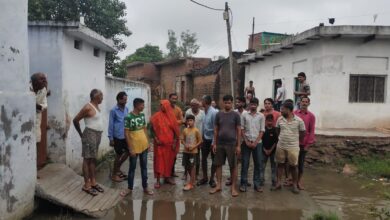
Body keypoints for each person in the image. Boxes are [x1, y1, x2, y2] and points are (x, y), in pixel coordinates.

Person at [73, 89, 105, 196]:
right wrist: (81, 134)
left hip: (97, 134)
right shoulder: (88, 107)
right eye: (101, 96)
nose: (102, 98)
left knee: (93, 158)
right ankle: (86, 185)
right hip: (90, 134)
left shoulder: (96, 107)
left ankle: (93, 182)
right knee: (87, 159)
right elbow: (75, 120)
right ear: (96, 96)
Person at [120, 98, 153, 196]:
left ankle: (145, 187)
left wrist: (148, 142)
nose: (143, 107)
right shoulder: (128, 117)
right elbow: (126, 134)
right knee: (132, 168)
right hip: (134, 147)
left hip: (144, 146)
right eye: (142, 105)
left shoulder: (142, 115)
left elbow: (144, 129)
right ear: (137, 105)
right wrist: (130, 148)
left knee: (144, 168)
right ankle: (129, 188)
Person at [209, 95, 241, 197]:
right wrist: (214, 143)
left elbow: (239, 130)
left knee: (233, 166)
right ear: (223, 103)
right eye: (225, 102)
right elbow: (216, 129)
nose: (227, 104)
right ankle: (218, 185)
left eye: (229, 102)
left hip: (232, 144)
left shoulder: (236, 115)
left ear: (232, 103)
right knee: (218, 164)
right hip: (220, 144)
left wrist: (238, 145)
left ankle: (233, 188)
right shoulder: (218, 114)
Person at [272, 101, 306, 194]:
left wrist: (293, 140)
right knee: (280, 164)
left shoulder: (299, 121)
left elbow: (303, 133)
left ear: (289, 110)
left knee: (294, 166)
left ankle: (294, 185)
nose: (281, 111)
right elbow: (277, 130)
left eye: (282, 109)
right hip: (281, 146)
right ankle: (278, 183)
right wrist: (283, 139)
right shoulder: (280, 119)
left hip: (293, 147)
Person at [150, 100, 180, 188]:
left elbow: (175, 131)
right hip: (159, 144)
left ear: (167, 106)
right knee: (159, 162)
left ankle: (167, 178)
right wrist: (155, 138)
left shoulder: (172, 117)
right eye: (160, 105)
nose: (161, 106)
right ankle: (158, 180)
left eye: (163, 105)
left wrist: (175, 142)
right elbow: (151, 129)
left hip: (169, 145)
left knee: (169, 162)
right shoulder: (156, 116)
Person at [240, 98, 265, 192]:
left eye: (255, 104)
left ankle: (257, 184)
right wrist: (246, 141)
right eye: (251, 104)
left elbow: (262, 130)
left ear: (257, 105)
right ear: (249, 105)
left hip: (257, 144)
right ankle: (243, 183)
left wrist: (255, 142)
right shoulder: (244, 115)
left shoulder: (261, 116)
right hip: (246, 143)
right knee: (245, 163)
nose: (253, 106)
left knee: (258, 164)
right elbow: (242, 129)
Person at [294, 97, 315, 190]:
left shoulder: (311, 116)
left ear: (309, 103)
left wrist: (308, 144)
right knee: (292, 163)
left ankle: (298, 182)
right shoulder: (294, 114)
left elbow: (312, 131)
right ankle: (292, 181)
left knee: (301, 165)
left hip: (304, 144)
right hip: (294, 142)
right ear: (300, 103)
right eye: (303, 101)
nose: (304, 103)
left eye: (306, 102)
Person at [197, 95, 218, 188]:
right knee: (203, 158)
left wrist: (214, 142)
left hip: (212, 139)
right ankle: (205, 177)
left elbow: (216, 128)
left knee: (214, 160)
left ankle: (212, 179)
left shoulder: (214, 112)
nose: (200, 101)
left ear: (205, 101)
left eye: (202, 100)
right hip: (205, 139)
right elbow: (203, 126)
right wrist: (201, 138)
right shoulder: (203, 112)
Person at [108, 91, 129, 182]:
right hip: (117, 137)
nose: (125, 102)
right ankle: (113, 175)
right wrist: (111, 138)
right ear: (119, 100)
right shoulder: (113, 110)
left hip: (126, 136)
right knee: (118, 155)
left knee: (128, 152)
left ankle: (117, 168)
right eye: (124, 100)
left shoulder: (127, 109)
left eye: (126, 100)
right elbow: (111, 125)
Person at [30, 72, 48, 171]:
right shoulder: (27, 88)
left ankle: (34, 170)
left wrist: (37, 106)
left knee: (36, 142)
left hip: (37, 120)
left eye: (45, 79)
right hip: (26, 121)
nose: (45, 81)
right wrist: (36, 105)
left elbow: (45, 105)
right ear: (34, 82)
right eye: (42, 79)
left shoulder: (43, 90)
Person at [184, 98, 205, 180]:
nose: (194, 107)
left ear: (198, 105)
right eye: (192, 105)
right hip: (189, 138)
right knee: (187, 156)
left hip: (198, 138)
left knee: (197, 156)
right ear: (190, 105)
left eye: (196, 105)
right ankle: (185, 173)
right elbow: (185, 123)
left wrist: (201, 138)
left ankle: (196, 174)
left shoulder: (202, 113)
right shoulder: (188, 112)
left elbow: (204, 124)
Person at [181, 115, 202, 191]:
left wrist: (194, 146)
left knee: (192, 167)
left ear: (194, 121)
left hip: (193, 152)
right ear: (186, 122)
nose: (189, 122)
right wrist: (185, 144)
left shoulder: (196, 130)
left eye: (191, 120)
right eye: (188, 120)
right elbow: (182, 140)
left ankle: (190, 183)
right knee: (187, 166)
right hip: (186, 151)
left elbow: (200, 141)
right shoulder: (185, 130)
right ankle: (192, 181)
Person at [169, 93, 184, 178]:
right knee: (167, 154)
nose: (174, 100)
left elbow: (182, 120)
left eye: (175, 99)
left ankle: (172, 171)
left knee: (174, 154)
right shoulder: (165, 109)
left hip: (175, 135)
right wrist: (175, 122)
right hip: (166, 135)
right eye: (173, 98)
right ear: (169, 99)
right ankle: (166, 172)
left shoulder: (178, 109)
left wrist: (172, 123)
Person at [261, 114, 278, 188]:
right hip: (263, 151)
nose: (269, 122)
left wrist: (270, 150)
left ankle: (274, 181)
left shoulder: (275, 130)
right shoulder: (263, 130)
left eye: (271, 121)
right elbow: (260, 140)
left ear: (273, 121)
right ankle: (261, 180)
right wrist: (264, 149)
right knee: (262, 166)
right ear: (266, 121)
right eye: (268, 121)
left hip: (273, 152)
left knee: (273, 167)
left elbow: (276, 142)